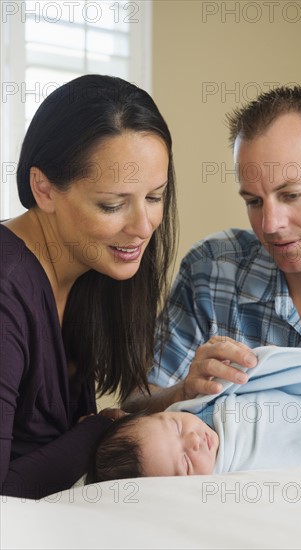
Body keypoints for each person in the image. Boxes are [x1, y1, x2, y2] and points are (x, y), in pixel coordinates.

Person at [122, 85, 301, 414]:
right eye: (254, 201)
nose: (270, 225)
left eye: (291, 195)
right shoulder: (212, 271)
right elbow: (133, 409)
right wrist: (183, 392)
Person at [0, 74, 178, 499]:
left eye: (155, 197)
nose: (143, 226)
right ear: (43, 188)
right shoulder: (7, 292)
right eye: (112, 205)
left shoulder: (90, 267)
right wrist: (98, 430)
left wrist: (180, 395)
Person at [89, 334, 301, 481]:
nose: (194, 440)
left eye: (175, 426)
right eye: (186, 464)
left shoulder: (209, 407)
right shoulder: (225, 478)